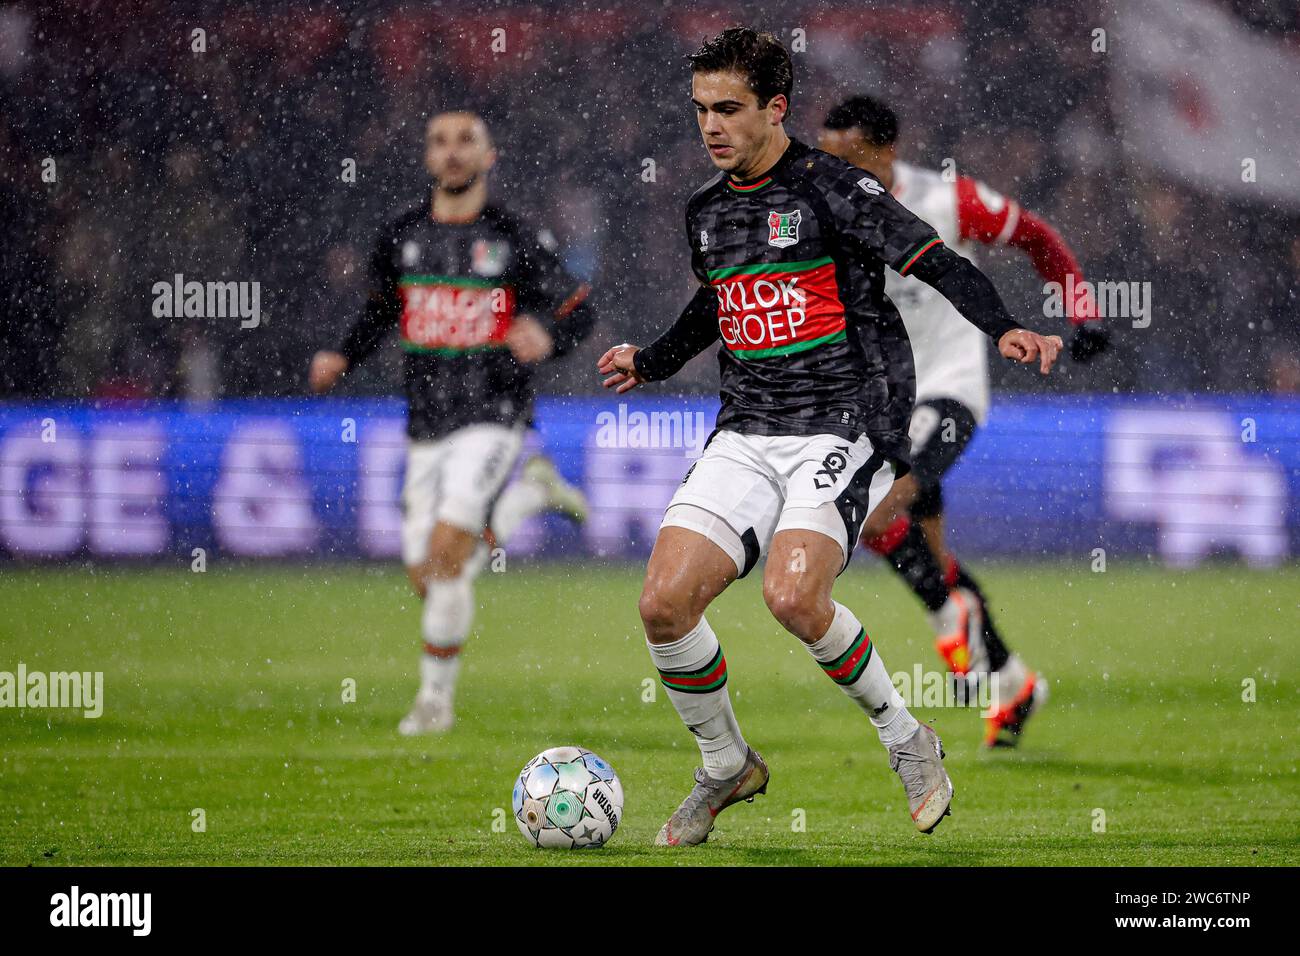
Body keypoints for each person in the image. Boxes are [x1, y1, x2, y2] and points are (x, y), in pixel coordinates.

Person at [597, 28, 1063, 846]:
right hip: (746, 429)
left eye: (729, 109)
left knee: (792, 596)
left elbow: (936, 260)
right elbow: (717, 303)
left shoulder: (835, 189)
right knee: (663, 606)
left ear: (776, 109)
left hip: (844, 421)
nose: (711, 126)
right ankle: (725, 764)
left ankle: (908, 740)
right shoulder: (706, 211)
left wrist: (1007, 326)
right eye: (702, 110)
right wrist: (654, 360)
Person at [819, 95, 1108, 747]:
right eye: (825, 156)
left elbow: (1038, 236)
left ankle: (955, 620)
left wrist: (1081, 311)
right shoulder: (820, 209)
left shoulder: (950, 201)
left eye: (846, 159)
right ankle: (1010, 681)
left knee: (883, 512)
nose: (829, 170)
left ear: (885, 153)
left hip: (948, 387)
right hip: (879, 395)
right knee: (908, 542)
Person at [310, 111, 594, 735]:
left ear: (489, 156)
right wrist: (342, 355)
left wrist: (545, 332)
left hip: (494, 414)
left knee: (445, 554)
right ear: (428, 157)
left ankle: (434, 703)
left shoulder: (516, 238)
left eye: (467, 141)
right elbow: (379, 313)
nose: (453, 152)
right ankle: (525, 499)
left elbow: (579, 308)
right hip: (425, 422)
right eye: (440, 141)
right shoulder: (401, 237)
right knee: (430, 573)